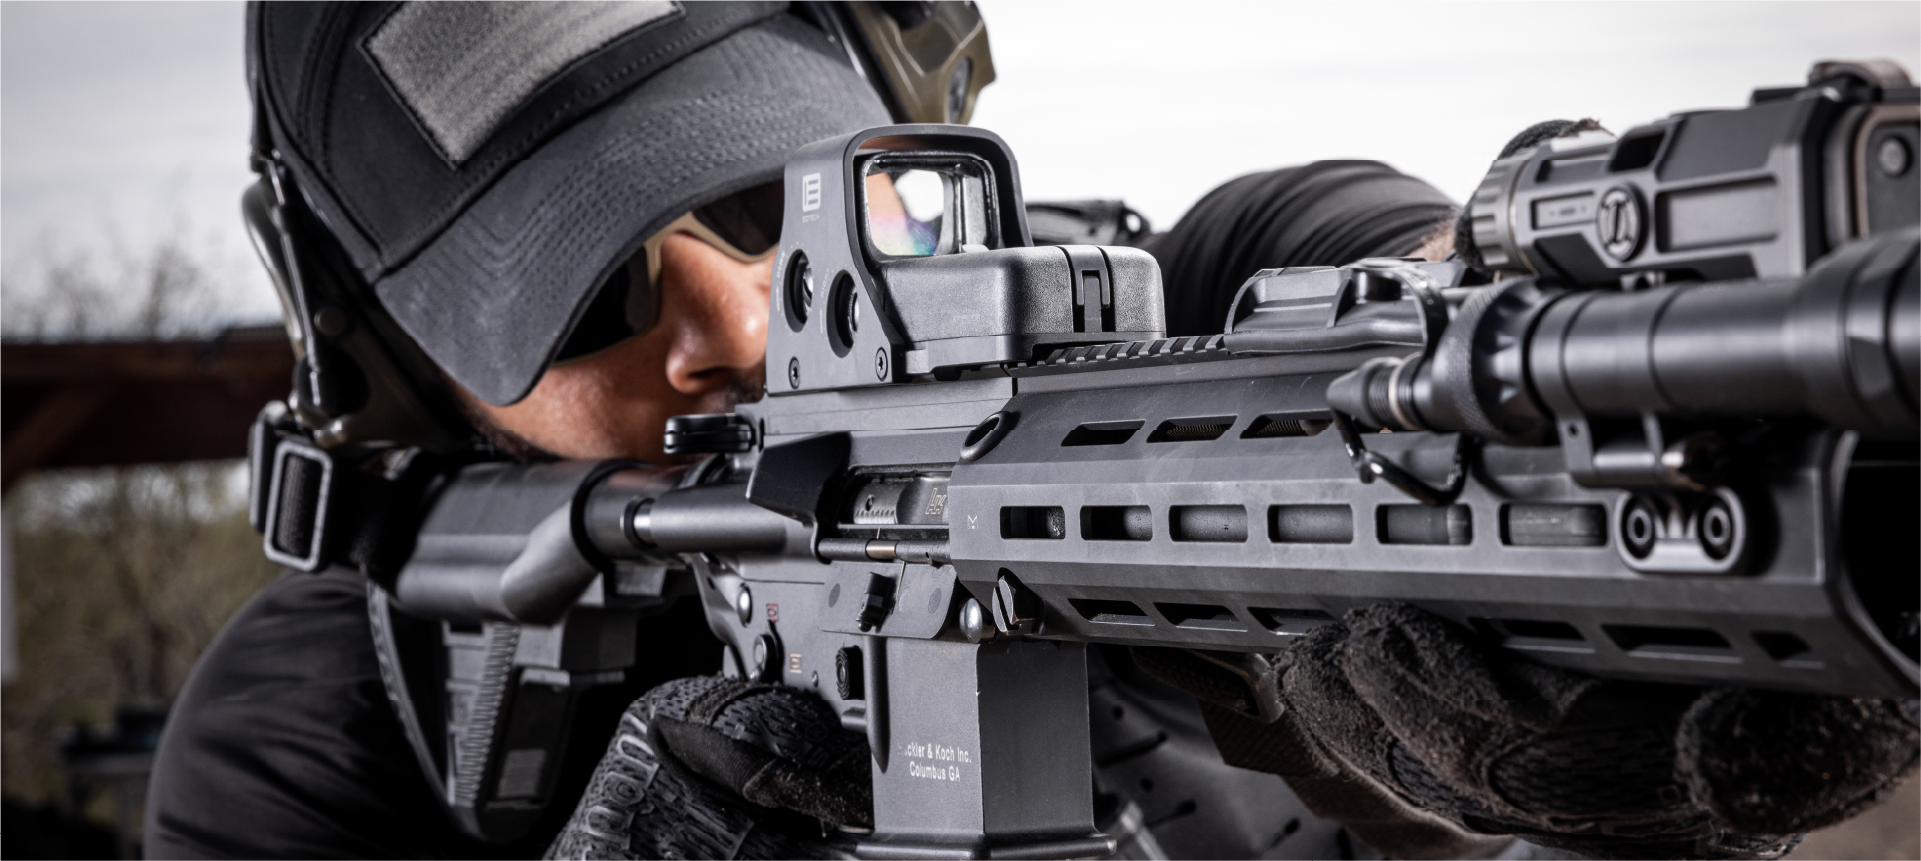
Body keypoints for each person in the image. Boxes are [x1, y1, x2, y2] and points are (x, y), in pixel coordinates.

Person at [145, 2, 1921, 861]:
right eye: (589, 288)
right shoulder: (313, 741)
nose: (739, 323)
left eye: (774, 201)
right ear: (386, 347)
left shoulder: (1153, 327)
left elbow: (1376, 278)